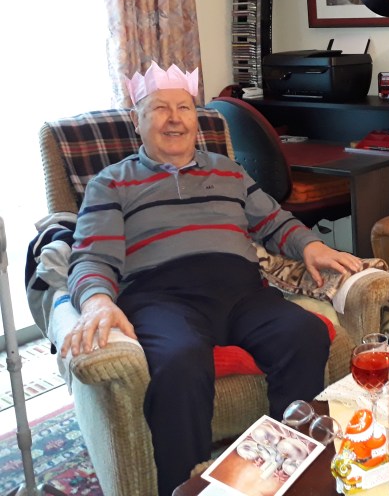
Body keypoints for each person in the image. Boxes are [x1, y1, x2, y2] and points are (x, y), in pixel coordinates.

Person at [59, 62, 363, 495]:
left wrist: (311, 245)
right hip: (161, 297)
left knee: (303, 333)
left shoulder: (228, 170)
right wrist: (96, 300)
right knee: (179, 362)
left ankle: (289, 473)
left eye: (184, 108)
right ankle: (184, 485)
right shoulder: (112, 183)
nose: (175, 119)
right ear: (137, 121)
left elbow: (274, 222)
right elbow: (92, 256)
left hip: (241, 291)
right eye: (160, 108)